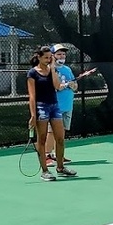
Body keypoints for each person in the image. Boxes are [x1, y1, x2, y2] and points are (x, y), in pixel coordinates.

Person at [26, 45, 76, 181]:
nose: (49, 60)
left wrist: (53, 69)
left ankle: (60, 167)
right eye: (46, 57)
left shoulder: (52, 70)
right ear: (39, 57)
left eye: (50, 57)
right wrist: (33, 115)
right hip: (41, 107)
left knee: (60, 138)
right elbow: (32, 96)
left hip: (55, 106)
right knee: (41, 140)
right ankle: (45, 171)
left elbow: (57, 86)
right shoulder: (32, 73)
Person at [44, 44, 78, 165]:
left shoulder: (67, 69)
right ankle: (46, 156)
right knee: (51, 131)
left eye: (63, 54)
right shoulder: (48, 70)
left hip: (67, 106)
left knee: (61, 132)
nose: (62, 56)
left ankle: (57, 155)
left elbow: (75, 86)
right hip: (54, 106)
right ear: (52, 56)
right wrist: (61, 86)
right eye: (59, 54)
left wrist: (72, 85)